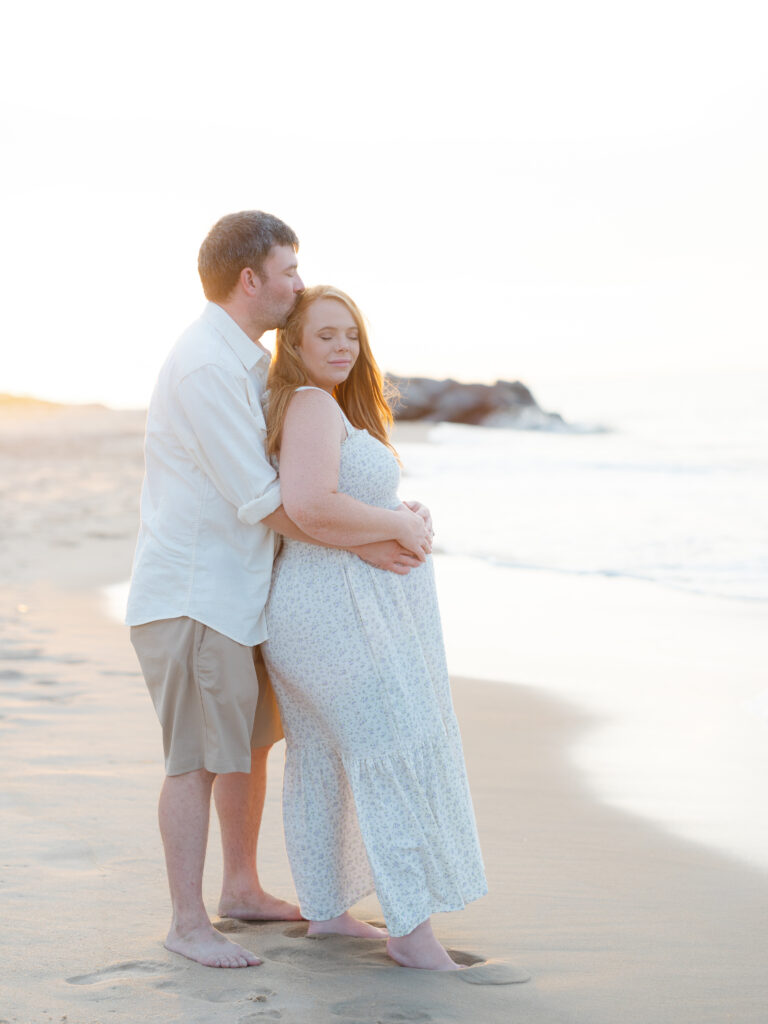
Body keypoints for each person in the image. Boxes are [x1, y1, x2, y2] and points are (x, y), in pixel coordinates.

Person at [126, 212, 432, 969]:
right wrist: (383, 532)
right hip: (196, 597)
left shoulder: (246, 363)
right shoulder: (204, 366)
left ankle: (241, 888)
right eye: (289, 271)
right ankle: (186, 922)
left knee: (248, 748)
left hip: (242, 596)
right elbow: (270, 501)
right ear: (249, 280)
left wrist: (381, 526)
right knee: (196, 759)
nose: (298, 285)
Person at [262, 285, 488, 971]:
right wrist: (395, 525)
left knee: (327, 761)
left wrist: (394, 511)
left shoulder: (324, 409)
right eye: (325, 334)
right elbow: (309, 504)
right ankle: (410, 935)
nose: (340, 347)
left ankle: (329, 913)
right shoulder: (309, 403)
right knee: (386, 747)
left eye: (350, 335)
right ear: (294, 346)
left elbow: (328, 500)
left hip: (328, 611)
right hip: (331, 615)